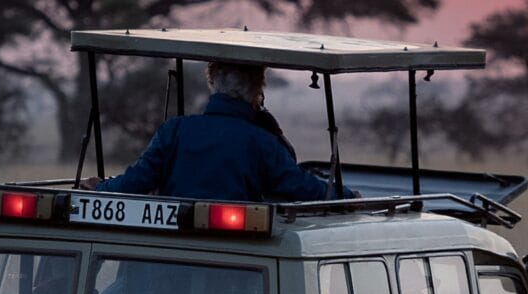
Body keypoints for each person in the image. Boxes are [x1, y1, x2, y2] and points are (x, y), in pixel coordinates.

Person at [87, 62, 354, 202]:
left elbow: (137, 180)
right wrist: (346, 197)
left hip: (172, 256)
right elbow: (297, 186)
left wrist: (103, 188)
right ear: (257, 90)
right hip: (239, 258)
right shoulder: (262, 141)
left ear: (212, 83)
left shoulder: (175, 130)